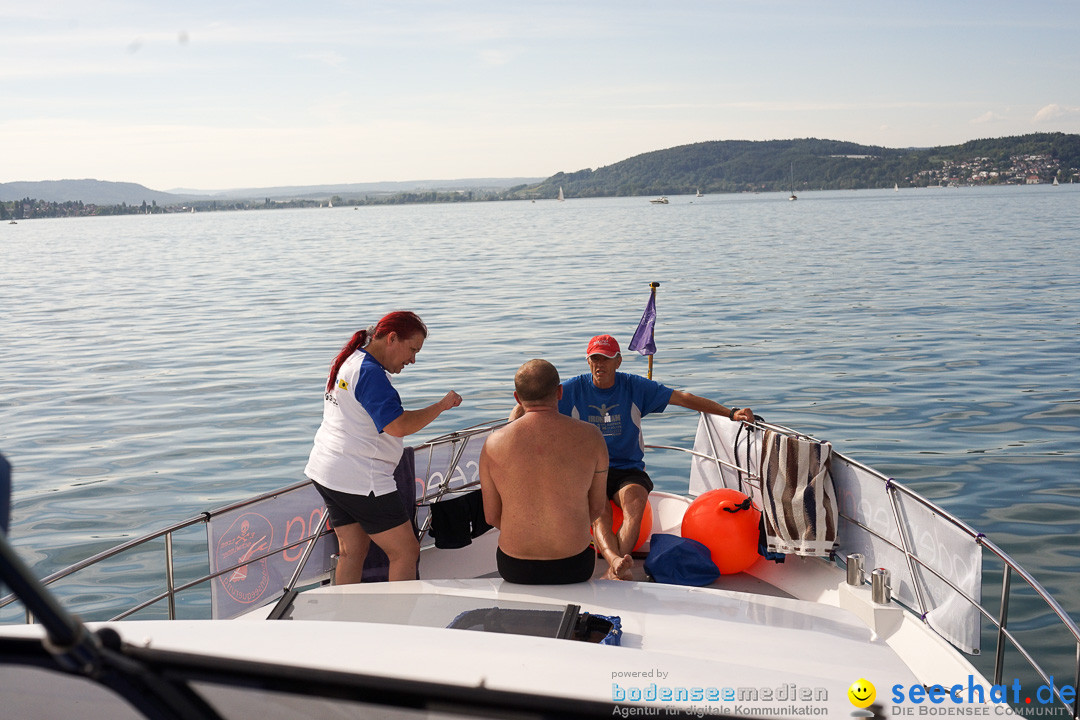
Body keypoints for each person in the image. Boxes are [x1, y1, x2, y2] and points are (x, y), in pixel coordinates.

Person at [513, 334, 754, 580]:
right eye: (595, 359)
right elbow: (525, 404)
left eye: (606, 359)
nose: (600, 365)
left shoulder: (635, 386)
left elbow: (682, 398)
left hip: (627, 469)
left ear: (618, 361)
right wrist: (511, 435)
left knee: (635, 504)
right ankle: (617, 563)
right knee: (600, 514)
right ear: (588, 362)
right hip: (587, 469)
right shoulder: (572, 389)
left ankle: (614, 566)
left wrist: (730, 413)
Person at [305, 311, 462, 584]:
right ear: (392, 338)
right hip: (361, 480)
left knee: (352, 551)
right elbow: (398, 426)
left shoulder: (352, 360)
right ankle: (398, 622)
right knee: (405, 551)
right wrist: (441, 405)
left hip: (327, 472)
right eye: (412, 349)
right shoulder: (369, 374)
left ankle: (345, 615)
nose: (413, 359)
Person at [479, 359, 611, 584]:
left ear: (517, 398)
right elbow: (597, 507)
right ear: (560, 392)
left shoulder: (493, 443)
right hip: (574, 563)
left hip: (514, 566)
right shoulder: (591, 436)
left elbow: (491, 516)